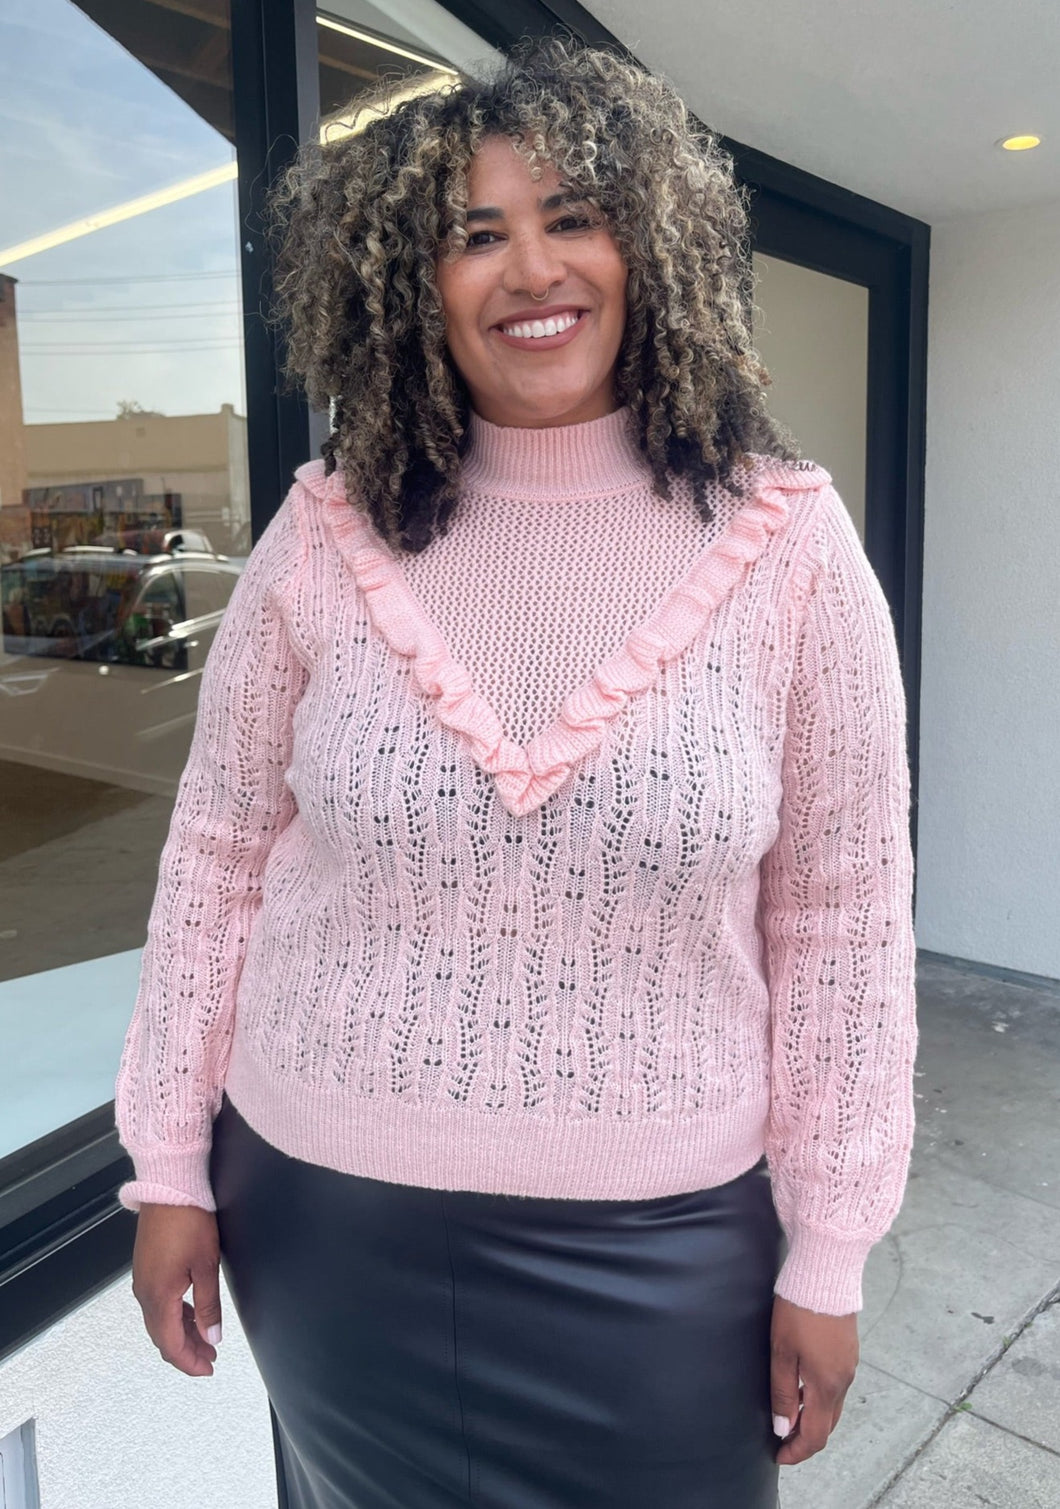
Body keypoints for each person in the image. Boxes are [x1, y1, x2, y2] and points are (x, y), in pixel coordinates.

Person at [116, 34, 918, 1509]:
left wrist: (830, 1248)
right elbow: (216, 860)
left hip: (665, 1250)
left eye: (573, 217)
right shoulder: (323, 534)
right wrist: (168, 1165)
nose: (532, 270)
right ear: (411, 284)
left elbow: (843, 923)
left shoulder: (792, 547)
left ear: (649, 245)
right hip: (322, 1219)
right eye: (476, 235)